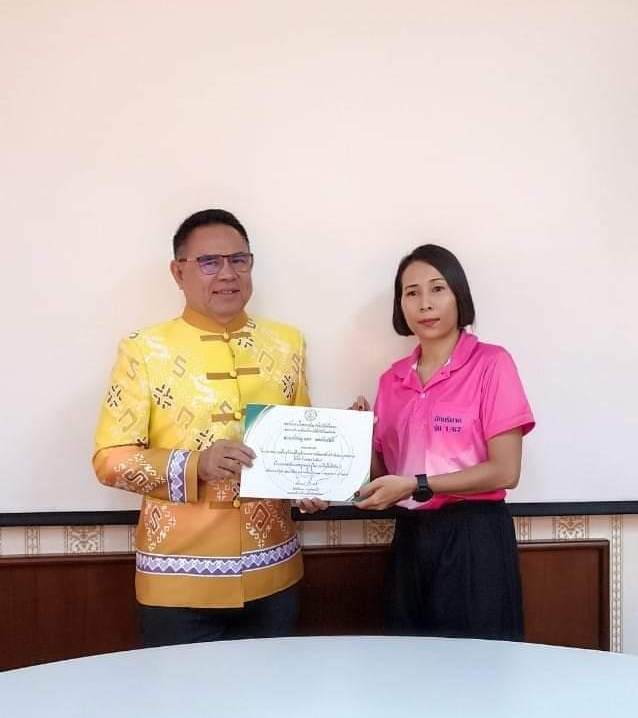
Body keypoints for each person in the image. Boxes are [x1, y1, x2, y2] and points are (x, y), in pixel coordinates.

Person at [93, 208, 323, 647]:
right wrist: (196, 464)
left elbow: (298, 442)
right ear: (178, 272)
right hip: (176, 578)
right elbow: (110, 460)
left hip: (274, 573)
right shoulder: (144, 350)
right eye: (209, 262)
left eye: (239, 260)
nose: (227, 274)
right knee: (184, 693)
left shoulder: (287, 343)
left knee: (274, 690)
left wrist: (312, 480)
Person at [354, 244, 534, 639]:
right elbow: (384, 479)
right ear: (401, 306)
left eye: (437, 289)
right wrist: (358, 439)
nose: (425, 304)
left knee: (477, 664)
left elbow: (506, 471)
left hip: (474, 537)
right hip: (409, 537)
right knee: (409, 662)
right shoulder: (392, 380)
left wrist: (418, 485)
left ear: (458, 296)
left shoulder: (491, 364)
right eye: (411, 293)